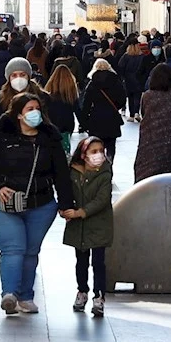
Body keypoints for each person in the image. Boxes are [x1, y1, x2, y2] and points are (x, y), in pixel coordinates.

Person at [0, 92, 74, 315]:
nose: (34, 113)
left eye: (37, 108)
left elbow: (61, 173)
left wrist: (66, 203)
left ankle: (26, 296)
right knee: (13, 248)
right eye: (29, 109)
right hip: (4, 203)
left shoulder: (50, 138)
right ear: (18, 114)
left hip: (41, 204)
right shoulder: (1, 134)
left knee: (30, 251)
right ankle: (9, 294)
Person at [63, 136, 113, 317]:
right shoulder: (74, 172)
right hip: (80, 226)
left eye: (101, 151)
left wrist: (80, 212)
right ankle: (82, 291)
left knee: (98, 262)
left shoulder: (105, 173)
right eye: (94, 151)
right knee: (81, 260)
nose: (98, 155)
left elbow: (102, 199)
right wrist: (65, 208)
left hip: (99, 224)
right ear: (83, 155)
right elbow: (67, 191)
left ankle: (99, 296)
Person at [79, 59, 127, 160]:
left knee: (96, 145)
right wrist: (115, 107)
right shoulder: (116, 82)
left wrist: (84, 123)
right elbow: (122, 99)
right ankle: (109, 162)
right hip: (112, 117)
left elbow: (86, 104)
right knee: (111, 145)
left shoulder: (92, 84)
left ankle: (99, 165)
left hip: (96, 119)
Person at [0, 57, 41, 134]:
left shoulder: (41, 97)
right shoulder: (0, 98)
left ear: (28, 76)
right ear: (9, 78)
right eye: (14, 75)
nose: (18, 79)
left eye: (22, 75)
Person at [43, 65, 81, 154]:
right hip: (67, 124)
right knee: (64, 150)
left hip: (51, 123)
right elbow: (78, 111)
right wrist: (86, 125)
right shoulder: (71, 94)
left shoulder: (49, 93)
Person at [119, 42, 146, 121]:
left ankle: (131, 115)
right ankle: (137, 112)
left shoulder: (126, 56)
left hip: (128, 79)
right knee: (138, 96)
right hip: (139, 79)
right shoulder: (142, 56)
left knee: (130, 97)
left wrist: (123, 76)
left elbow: (120, 67)